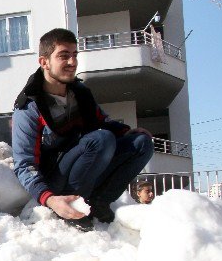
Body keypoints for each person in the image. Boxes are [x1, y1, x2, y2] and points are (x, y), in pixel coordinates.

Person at [11, 28, 154, 231]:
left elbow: (102, 122)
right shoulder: (29, 106)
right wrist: (50, 199)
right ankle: (71, 205)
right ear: (44, 62)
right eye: (63, 56)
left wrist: (125, 132)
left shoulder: (80, 93)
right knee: (101, 140)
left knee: (141, 143)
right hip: (55, 181)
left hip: (85, 164)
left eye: (74, 55)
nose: (72, 62)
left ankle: (99, 203)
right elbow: (24, 164)